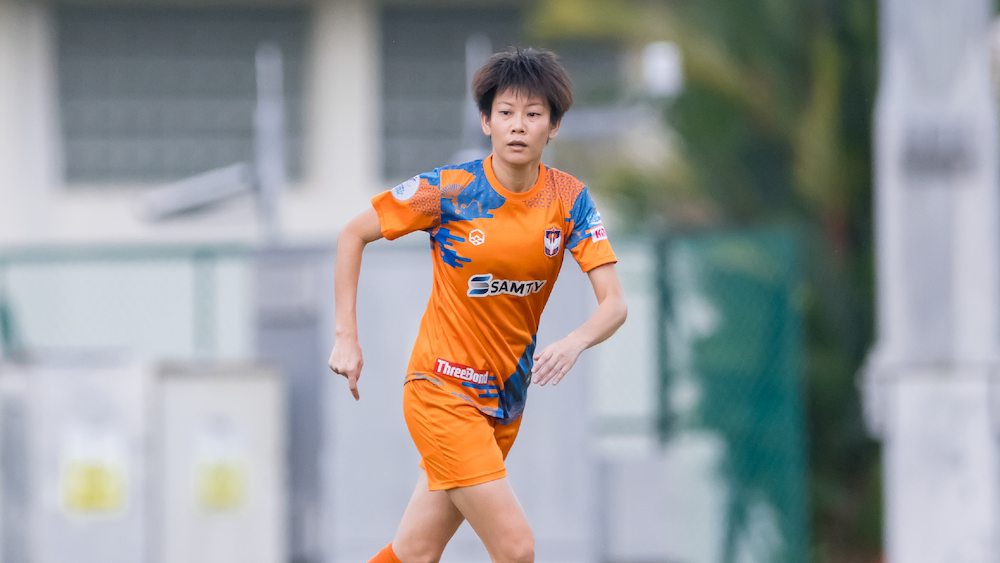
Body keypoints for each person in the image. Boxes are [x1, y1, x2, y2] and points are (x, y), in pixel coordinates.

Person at [328, 47, 627, 563]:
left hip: (504, 401)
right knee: (517, 549)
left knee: (416, 551)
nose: (518, 126)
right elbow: (352, 235)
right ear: (486, 121)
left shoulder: (569, 199)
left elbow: (615, 304)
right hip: (441, 390)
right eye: (505, 113)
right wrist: (346, 337)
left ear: (554, 126)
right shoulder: (450, 190)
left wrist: (575, 341)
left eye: (533, 114)